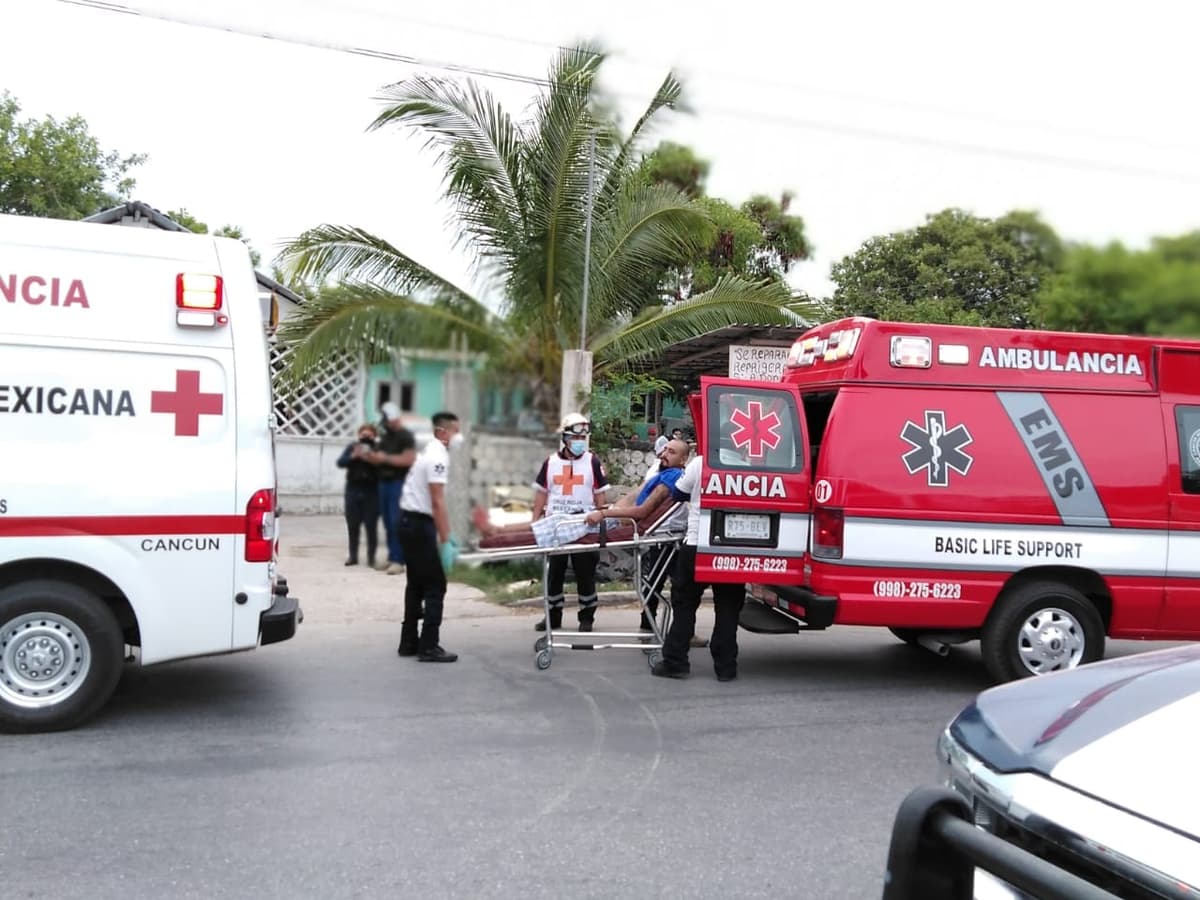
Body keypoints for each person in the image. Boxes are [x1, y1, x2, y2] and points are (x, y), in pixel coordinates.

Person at [652, 453, 746, 682]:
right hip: (731, 546)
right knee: (728, 609)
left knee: (684, 605)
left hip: (696, 544)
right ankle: (726, 668)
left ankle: (676, 662)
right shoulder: (745, 466)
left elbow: (678, 492)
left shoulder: (700, 462)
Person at [587, 438, 689, 633]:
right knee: (659, 583)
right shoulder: (662, 474)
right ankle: (654, 625)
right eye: (664, 450)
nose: (664, 454)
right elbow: (634, 497)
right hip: (654, 534)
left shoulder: (672, 477)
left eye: (671, 452)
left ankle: (676, 630)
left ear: (684, 459)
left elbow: (642, 512)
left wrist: (605, 513)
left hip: (664, 536)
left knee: (673, 587)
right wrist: (611, 508)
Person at [531, 412, 609, 633]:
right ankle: (552, 617)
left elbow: (600, 496)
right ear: (565, 438)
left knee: (585, 573)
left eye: (582, 438)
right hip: (556, 525)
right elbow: (541, 495)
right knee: (553, 573)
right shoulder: (551, 463)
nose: (579, 443)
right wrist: (534, 523)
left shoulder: (592, 462)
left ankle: (587, 618)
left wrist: (602, 520)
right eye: (575, 438)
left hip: (584, 524)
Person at [396, 411, 462, 662]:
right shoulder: (437, 456)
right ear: (442, 432)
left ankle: (408, 641)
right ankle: (429, 645)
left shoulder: (428, 453)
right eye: (455, 431)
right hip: (418, 524)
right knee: (436, 585)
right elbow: (437, 501)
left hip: (408, 522)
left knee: (416, 583)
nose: (458, 437)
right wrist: (446, 539)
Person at [372, 402, 416, 574]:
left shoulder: (405, 436)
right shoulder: (386, 437)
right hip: (383, 483)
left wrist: (385, 459)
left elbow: (408, 459)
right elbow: (379, 456)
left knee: (396, 521)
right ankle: (392, 556)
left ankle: (399, 560)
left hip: (398, 483)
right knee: (387, 522)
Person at [336, 422, 380, 567]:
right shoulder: (353, 447)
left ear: (374, 436)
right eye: (363, 434)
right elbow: (340, 462)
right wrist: (353, 456)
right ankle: (353, 556)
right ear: (359, 435)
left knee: (371, 526)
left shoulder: (378, 450)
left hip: (371, 491)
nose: (366, 438)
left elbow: (384, 468)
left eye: (369, 435)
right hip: (353, 489)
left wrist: (372, 458)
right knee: (353, 525)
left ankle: (371, 558)